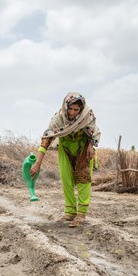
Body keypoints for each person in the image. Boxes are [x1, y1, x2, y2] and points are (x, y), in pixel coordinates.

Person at [30, 92, 101, 227]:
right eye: (71, 109)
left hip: (83, 147)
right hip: (65, 148)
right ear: (66, 106)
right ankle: (69, 212)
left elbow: (93, 131)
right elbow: (46, 138)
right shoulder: (58, 118)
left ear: (81, 109)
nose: (73, 112)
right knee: (66, 179)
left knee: (83, 179)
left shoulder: (87, 116)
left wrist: (91, 146)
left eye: (76, 110)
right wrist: (38, 163)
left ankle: (81, 214)